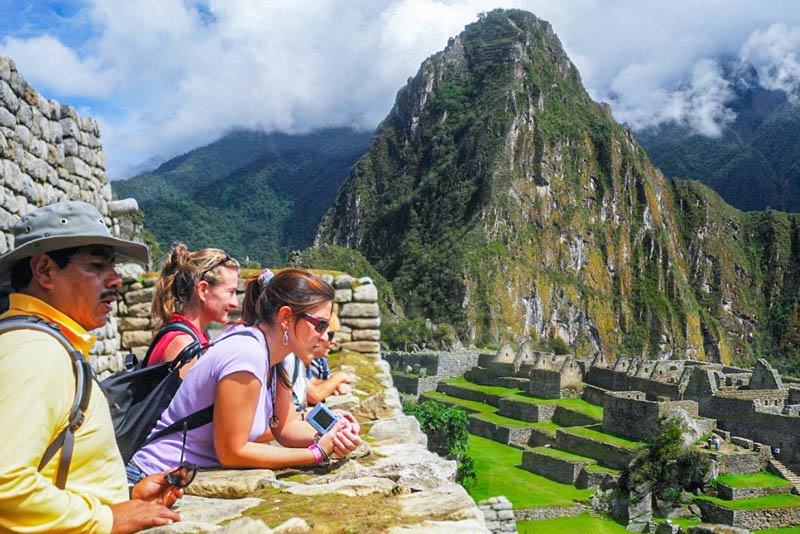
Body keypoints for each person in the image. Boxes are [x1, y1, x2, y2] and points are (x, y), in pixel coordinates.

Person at [0, 200, 181, 533]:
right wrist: (105, 519)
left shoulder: (45, 344)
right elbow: (5, 482)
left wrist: (123, 497)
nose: (115, 280)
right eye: (97, 266)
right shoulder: (35, 353)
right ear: (44, 270)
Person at [128, 268, 361, 480]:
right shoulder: (247, 355)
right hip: (152, 476)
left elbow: (286, 426)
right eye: (320, 325)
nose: (325, 337)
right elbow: (233, 451)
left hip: (181, 476)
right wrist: (317, 453)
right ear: (286, 318)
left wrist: (331, 432)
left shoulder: (277, 356)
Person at [147, 244, 240, 376]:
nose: (235, 303)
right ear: (203, 290)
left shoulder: (188, 339)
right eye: (230, 292)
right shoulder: (184, 346)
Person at [306, 313, 353, 403]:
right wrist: (340, 377)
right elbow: (314, 395)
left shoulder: (310, 361)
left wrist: (334, 385)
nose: (334, 341)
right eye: (330, 335)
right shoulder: (291, 358)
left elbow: (311, 382)